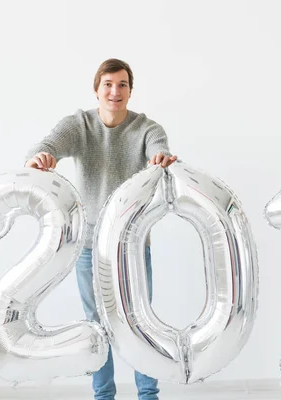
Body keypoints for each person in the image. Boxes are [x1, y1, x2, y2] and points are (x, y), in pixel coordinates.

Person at [25, 58, 177, 400]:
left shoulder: (145, 128)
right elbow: (45, 145)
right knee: (98, 325)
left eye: (122, 85)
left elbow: (159, 150)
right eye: (108, 84)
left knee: (140, 322)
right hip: (91, 245)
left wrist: (160, 160)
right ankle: (103, 395)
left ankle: (148, 395)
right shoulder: (79, 125)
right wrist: (39, 158)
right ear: (97, 90)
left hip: (133, 245)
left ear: (130, 91)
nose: (115, 91)